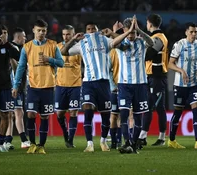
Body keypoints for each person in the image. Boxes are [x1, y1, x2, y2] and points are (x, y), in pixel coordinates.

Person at [12, 19, 64, 154]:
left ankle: (41, 145)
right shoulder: (27, 47)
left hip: (48, 87)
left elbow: (61, 63)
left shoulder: (53, 45)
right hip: (32, 87)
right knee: (30, 114)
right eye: (39, 30)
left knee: (44, 117)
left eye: (44, 31)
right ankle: (32, 144)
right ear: (33, 30)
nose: (41, 33)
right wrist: (16, 85)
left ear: (46, 32)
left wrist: (49, 60)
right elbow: (21, 68)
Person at [61, 22, 113, 152]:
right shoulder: (81, 44)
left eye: (93, 29)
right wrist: (73, 39)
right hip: (88, 82)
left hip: (104, 82)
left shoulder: (105, 40)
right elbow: (63, 51)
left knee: (106, 115)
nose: (91, 31)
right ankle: (89, 143)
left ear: (98, 30)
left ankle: (103, 141)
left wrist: (112, 32)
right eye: (88, 29)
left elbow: (119, 43)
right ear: (85, 31)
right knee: (87, 110)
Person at [109, 16, 154, 154]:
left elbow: (152, 42)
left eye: (134, 33)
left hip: (140, 84)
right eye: (130, 33)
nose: (132, 36)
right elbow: (113, 44)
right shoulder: (122, 44)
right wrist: (127, 32)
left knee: (138, 116)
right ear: (125, 31)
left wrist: (139, 30)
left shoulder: (141, 42)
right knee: (123, 115)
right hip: (124, 84)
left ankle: (133, 144)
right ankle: (127, 142)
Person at [168, 22, 197, 149]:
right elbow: (170, 64)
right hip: (180, 85)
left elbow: (196, 59)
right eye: (191, 32)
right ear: (186, 32)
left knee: (196, 109)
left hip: (195, 84)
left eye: (196, 32)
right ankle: (171, 140)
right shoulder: (179, 45)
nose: (194, 34)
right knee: (178, 112)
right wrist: (181, 71)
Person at [138, 13, 168, 147]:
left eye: (147, 22)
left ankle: (159, 137)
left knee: (157, 107)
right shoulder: (155, 37)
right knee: (150, 107)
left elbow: (149, 54)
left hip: (157, 77)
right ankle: (144, 136)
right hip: (151, 76)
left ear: (149, 23)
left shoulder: (159, 38)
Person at [55, 25, 82, 148]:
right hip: (60, 85)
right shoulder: (57, 47)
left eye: (68, 34)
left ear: (73, 34)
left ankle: (70, 140)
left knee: (73, 113)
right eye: (64, 34)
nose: (66, 36)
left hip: (75, 85)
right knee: (60, 114)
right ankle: (66, 134)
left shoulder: (79, 48)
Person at [4, 27, 30, 150]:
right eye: (24, 36)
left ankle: (7, 140)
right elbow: (16, 68)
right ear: (18, 37)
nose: (25, 38)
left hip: (18, 86)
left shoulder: (19, 49)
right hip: (12, 86)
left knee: (15, 113)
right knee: (14, 113)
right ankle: (20, 140)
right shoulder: (12, 49)